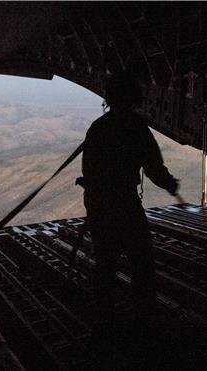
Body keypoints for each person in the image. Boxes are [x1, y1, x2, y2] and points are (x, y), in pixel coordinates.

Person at [79, 71, 180, 331]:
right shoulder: (136, 128)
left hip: (99, 204)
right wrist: (171, 185)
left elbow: (89, 170)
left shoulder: (98, 128)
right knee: (141, 262)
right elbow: (154, 168)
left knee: (105, 262)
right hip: (124, 204)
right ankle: (145, 319)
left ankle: (103, 317)